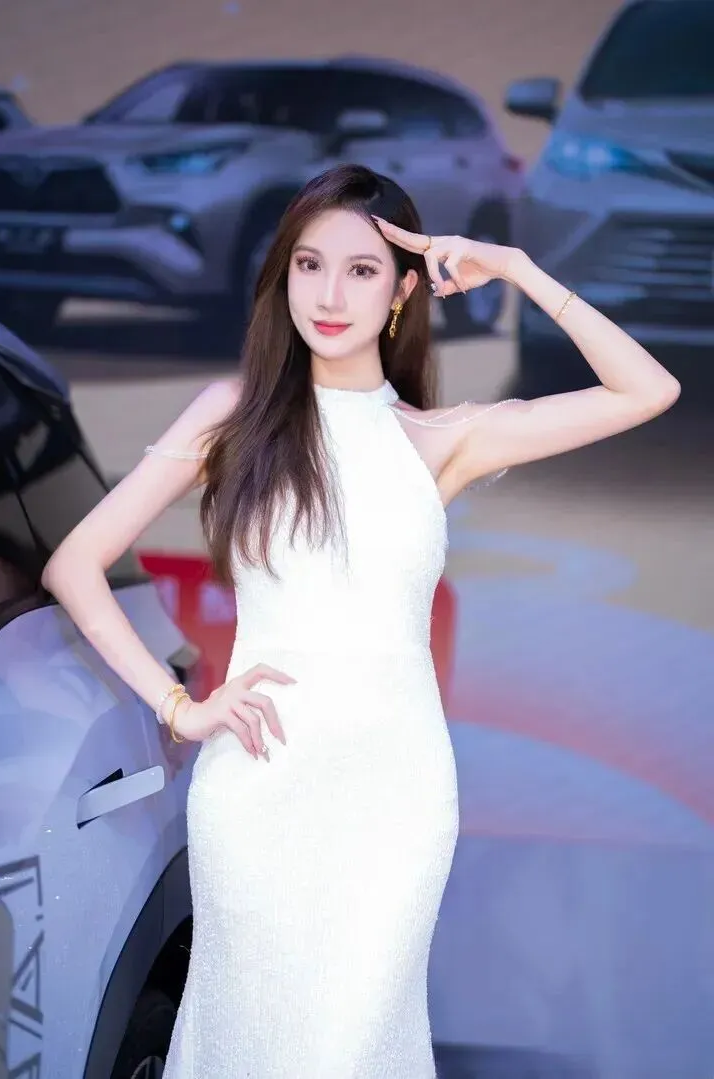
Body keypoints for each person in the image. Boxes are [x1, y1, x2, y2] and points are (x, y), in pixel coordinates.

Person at [41, 163, 680, 1078]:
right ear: (284, 277)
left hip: (396, 800)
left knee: (355, 1047)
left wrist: (516, 268)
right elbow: (74, 564)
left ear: (403, 291)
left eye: (362, 270)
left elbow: (646, 390)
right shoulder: (232, 417)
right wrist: (179, 707)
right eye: (309, 265)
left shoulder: (443, 439)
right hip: (260, 792)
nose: (329, 295)